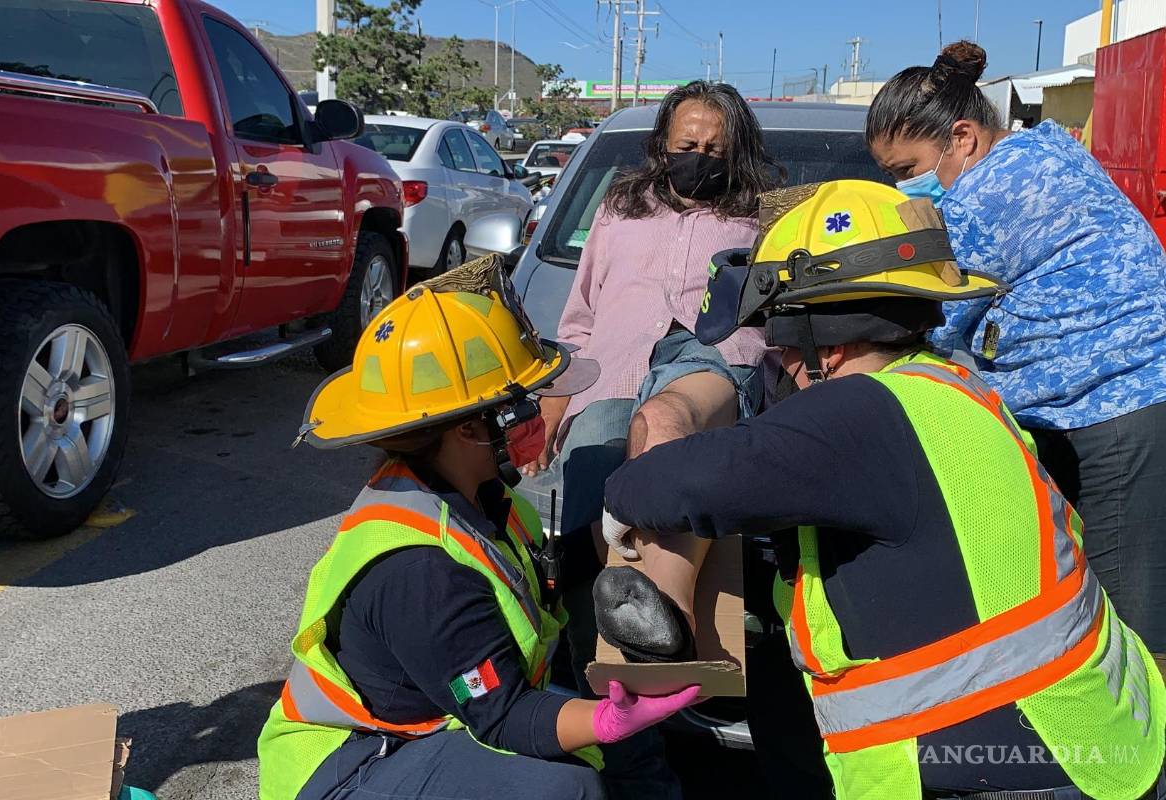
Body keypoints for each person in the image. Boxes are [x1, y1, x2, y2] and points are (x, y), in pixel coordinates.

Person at [600, 180, 1166, 798]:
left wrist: (619, 509)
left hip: (1005, 762)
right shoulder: (947, 387)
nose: (779, 368)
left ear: (830, 346)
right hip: (1084, 730)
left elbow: (677, 483)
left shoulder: (856, 418)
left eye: (782, 349)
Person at [256, 256, 698, 800]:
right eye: (520, 406)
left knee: (626, 754)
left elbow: (535, 586)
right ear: (467, 429)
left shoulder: (481, 498)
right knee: (564, 788)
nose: (536, 417)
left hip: (427, 725)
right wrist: (608, 720)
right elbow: (504, 716)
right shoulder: (419, 570)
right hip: (351, 764)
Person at [866, 41, 1166, 662]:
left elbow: (936, 315)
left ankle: (1142, 720)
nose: (902, 186)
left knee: (1125, 613)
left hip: (1116, 403)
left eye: (907, 168)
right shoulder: (1047, 149)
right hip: (1107, 395)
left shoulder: (988, 195)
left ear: (963, 138)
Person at [523, 79, 780, 684]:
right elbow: (580, 321)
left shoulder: (761, 215)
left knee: (664, 426)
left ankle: (669, 625)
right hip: (610, 375)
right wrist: (553, 407)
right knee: (591, 513)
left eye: (715, 149)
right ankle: (606, 673)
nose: (700, 157)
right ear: (663, 143)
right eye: (687, 145)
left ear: (738, 152)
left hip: (713, 359)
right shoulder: (619, 207)